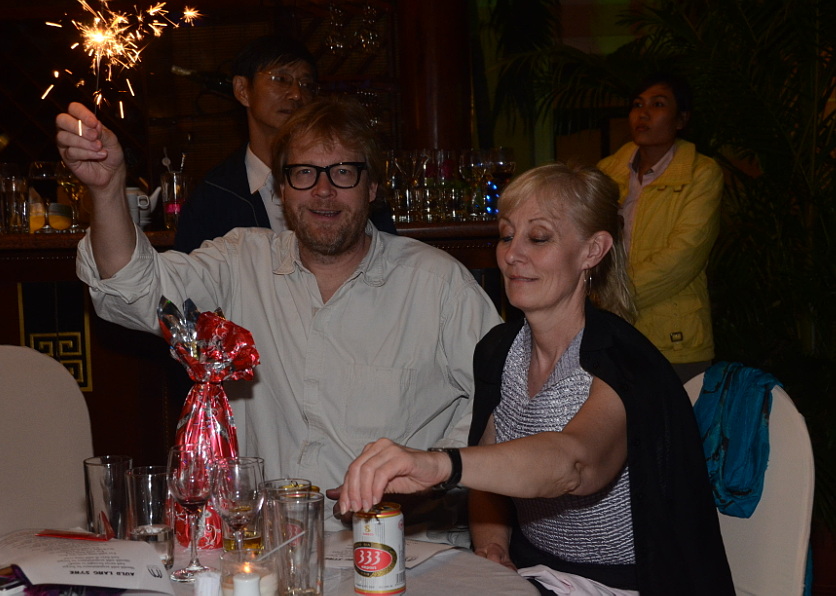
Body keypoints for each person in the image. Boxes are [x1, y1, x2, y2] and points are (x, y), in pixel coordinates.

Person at [58, 95, 503, 532]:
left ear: (371, 188)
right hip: (264, 545)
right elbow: (136, 293)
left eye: (343, 172)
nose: (324, 191)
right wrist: (107, 190)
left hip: (402, 545)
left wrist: (435, 476)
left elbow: (503, 400)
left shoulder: (438, 284)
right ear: (280, 189)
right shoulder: (239, 261)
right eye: (304, 173)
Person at [337, 163, 734, 595]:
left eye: (539, 238)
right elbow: (490, 474)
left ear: (592, 251)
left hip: (626, 585)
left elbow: (575, 464)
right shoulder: (499, 350)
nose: (512, 254)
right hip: (536, 574)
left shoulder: (625, 360)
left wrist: (439, 464)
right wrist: (493, 547)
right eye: (507, 235)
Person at [174, 34, 396, 254]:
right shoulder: (214, 195)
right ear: (242, 90)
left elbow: (386, 255)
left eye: (306, 84)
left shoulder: (349, 180)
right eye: (281, 79)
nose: (296, 94)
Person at [597, 73, 723, 384]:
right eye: (637, 105)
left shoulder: (701, 173)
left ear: (681, 119)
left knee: (675, 416)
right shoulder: (605, 172)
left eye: (658, 105)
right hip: (610, 333)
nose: (643, 114)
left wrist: (612, 297)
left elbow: (684, 256)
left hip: (674, 337)